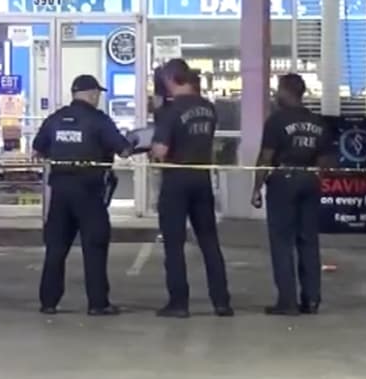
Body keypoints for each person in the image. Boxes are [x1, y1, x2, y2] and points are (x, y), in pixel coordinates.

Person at [32, 74, 135, 316]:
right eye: (97, 94)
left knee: (56, 248)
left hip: (60, 192)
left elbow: (37, 150)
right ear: (92, 94)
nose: (97, 98)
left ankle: (49, 302)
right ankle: (98, 303)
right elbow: (124, 150)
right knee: (95, 247)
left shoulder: (55, 119)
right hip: (89, 192)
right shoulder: (98, 120)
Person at [151, 58, 233, 318]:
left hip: (176, 179)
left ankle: (179, 303)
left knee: (174, 244)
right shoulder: (209, 108)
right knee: (209, 241)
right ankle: (221, 302)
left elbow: (160, 152)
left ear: (171, 80)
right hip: (201, 178)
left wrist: (152, 147)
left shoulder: (171, 112)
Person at [252, 73, 334, 316]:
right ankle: (312, 300)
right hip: (310, 181)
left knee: (282, 242)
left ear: (288, 92)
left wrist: (256, 188)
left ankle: (287, 301)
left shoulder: (276, 121)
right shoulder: (318, 122)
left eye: (279, 90)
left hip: (283, 182)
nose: (277, 95)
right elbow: (326, 163)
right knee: (308, 241)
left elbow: (266, 157)